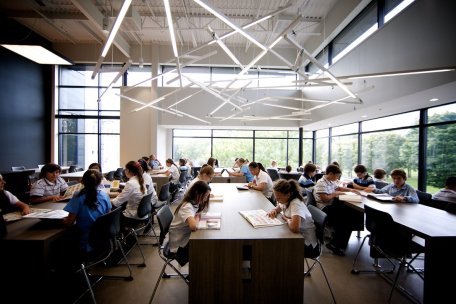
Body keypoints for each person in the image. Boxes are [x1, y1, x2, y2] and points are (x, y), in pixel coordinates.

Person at [62, 169, 111, 252]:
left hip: (87, 237)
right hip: (103, 235)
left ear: (82, 181)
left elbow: (69, 222)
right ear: (99, 182)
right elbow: (109, 216)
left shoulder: (78, 196)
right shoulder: (104, 195)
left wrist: (60, 221)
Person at [267, 179, 319, 256]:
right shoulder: (286, 200)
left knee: (273, 247)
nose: (277, 200)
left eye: (279, 198)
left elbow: (295, 228)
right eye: (276, 198)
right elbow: (279, 206)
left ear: (288, 194)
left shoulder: (295, 204)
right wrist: (274, 210)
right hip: (296, 237)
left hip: (306, 244)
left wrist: (287, 219)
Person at [168, 181, 211, 266]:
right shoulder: (186, 206)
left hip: (185, 237)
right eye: (205, 196)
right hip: (180, 245)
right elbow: (193, 226)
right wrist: (197, 217)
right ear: (197, 194)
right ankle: (198, 274)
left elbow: (203, 211)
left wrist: (197, 215)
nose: (206, 199)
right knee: (207, 246)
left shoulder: (194, 202)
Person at [314, 164, 354, 256]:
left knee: (349, 216)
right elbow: (324, 199)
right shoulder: (321, 183)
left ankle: (337, 244)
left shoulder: (330, 181)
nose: (337, 178)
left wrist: (350, 190)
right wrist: (335, 194)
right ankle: (336, 244)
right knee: (346, 219)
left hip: (331, 205)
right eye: (336, 176)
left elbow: (338, 188)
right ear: (331, 174)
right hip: (324, 208)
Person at [111, 161, 147, 228]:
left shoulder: (131, 183)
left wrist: (107, 200)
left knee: (110, 213)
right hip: (142, 214)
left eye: (126, 169)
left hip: (132, 216)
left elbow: (117, 202)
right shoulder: (140, 180)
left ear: (129, 171)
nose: (124, 171)